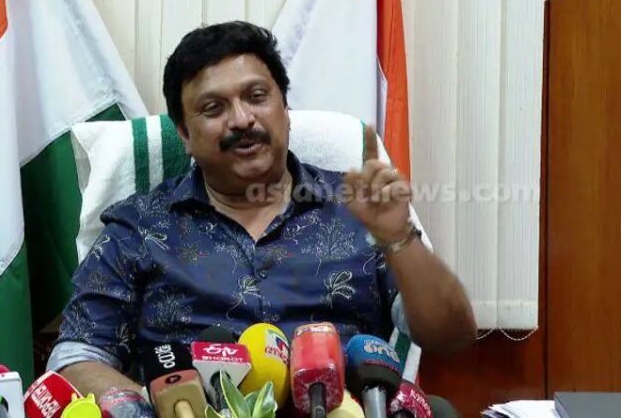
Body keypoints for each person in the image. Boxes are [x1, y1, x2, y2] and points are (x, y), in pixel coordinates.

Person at [47, 21, 476, 396]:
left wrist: (399, 238)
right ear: (184, 134)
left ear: (285, 110)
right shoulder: (139, 226)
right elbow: (76, 358)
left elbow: (451, 336)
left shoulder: (359, 208)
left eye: (256, 96)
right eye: (213, 108)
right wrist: (153, 406)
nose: (241, 119)